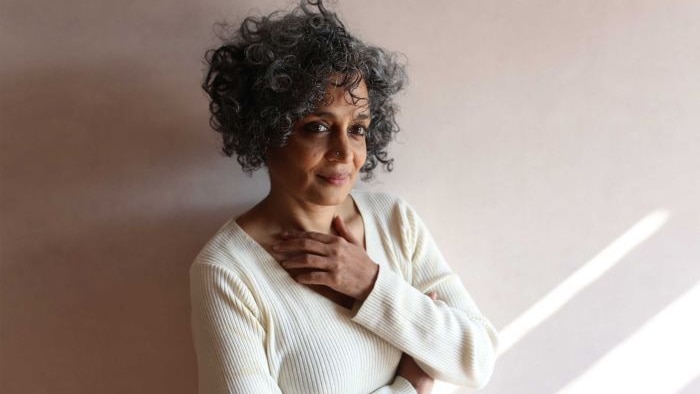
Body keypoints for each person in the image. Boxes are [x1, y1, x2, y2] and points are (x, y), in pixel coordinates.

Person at [190, 1, 499, 393]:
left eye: (357, 129)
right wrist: (408, 385)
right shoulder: (227, 271)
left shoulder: (394, 221)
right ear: (266, 130)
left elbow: (479, 359)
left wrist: (371, 284)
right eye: (317, 127)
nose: (344, 152)